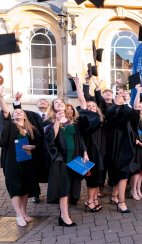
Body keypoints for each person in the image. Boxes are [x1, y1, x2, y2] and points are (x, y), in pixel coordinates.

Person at [44, 97, 99, 226]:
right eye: (56, 102)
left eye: (61, 102)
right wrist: (57, 121)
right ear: (53, 107)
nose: (59, 103)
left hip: (74, 159)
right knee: (63, 188)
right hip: (60, 159)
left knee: (69, 187)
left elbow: (79, 139)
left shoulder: (73, 122)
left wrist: (85, 152)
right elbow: (52, 138)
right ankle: (64, 216)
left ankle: (64, 213)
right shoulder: (49, 123)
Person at [0, 84, 40, 227]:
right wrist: (1, 96)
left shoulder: (31, 129)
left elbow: (38, 143)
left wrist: (34, 146)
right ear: (12, 116)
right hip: (12, 162)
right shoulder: (10, 127)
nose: (18, 113)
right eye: (15, 113)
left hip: (27, 161)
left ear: (25, 115)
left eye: (21, 112)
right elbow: (5, 111)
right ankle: (18, 214)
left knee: (26, 187)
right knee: (15, 187)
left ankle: (24, 211)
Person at [73, 76, 105, 212]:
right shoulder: (83, 118)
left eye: (93, 106)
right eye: (88, 106)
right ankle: (89, 201)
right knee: (89, 177)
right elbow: (82, 100)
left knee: (96, 177)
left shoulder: (98, 119)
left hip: (97, 150)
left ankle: (92, 200)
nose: (90, 107)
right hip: (86, 149)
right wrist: (78, 85)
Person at [104, 89, 139, 214]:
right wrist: (119, 101)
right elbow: (112, 114)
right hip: (115, 148)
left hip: (126, 147)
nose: (120, 97)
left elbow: (133, 112)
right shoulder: (111, 113)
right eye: (117, 96)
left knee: (123, 174)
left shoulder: (127, 114)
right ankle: (121, 202)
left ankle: (116, 198)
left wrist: (128, 99)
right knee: (119, 174)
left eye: (122, 96)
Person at [12, 93, 49, 204]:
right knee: (34, 170)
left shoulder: (52, 115)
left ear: (48, 105)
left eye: (44, 101)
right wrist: (17, 101)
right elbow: (18, 112)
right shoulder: (30, 115)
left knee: (50, 170)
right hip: (34, 147)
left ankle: (53, 193)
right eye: (40, 101)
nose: (42, 102)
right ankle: (35, 194)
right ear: (36, 105)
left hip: (48, 148)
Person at [130, 85, 142, 200]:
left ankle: (138, 189)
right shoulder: (133, 118)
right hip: (136, 146)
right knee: (136, 170)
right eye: (139, 107)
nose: (141, 108)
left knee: (141, 170)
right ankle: (133, 190)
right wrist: (138, 92)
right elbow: (131, 132)